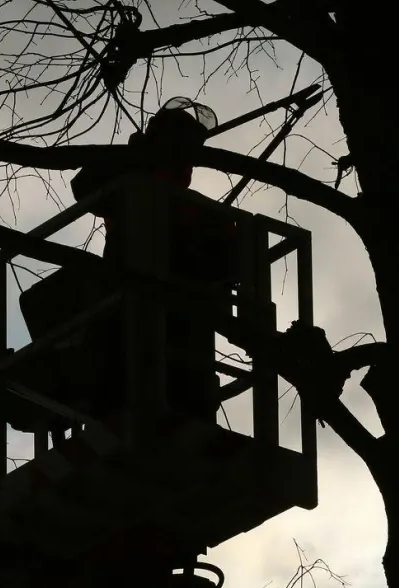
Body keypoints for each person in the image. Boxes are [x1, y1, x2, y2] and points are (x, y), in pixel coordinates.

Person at [16, 98, 237, 429]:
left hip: (157, 314)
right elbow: (86, 185)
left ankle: (78, 383)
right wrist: (131, 158)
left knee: (52, 304)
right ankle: (72, 380)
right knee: (42, 300)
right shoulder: (133, 179)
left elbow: (230, 262)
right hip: (129, 301)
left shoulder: (197, 210)